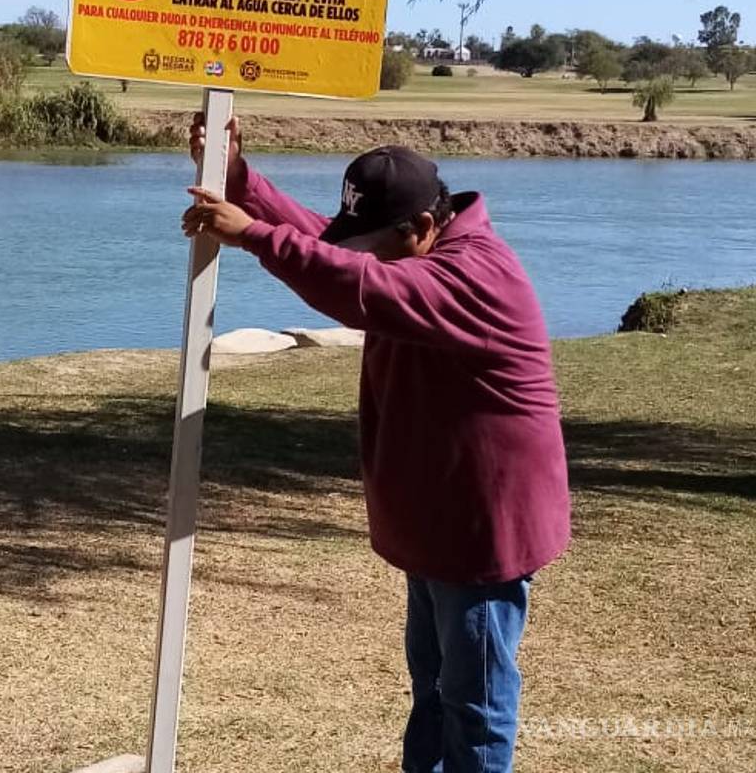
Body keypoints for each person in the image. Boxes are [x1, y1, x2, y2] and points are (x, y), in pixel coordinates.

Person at [182, 115, 570, 773]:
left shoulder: (472, 276)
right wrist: (242, 181)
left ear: (419, 228)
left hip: (481, 530)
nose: (366, 252)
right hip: (436, 519)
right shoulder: (423, 246)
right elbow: (331, 246)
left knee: (474, 707)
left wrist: (251, 237)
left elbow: (358, 282)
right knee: (434, 691)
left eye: (377, 242)